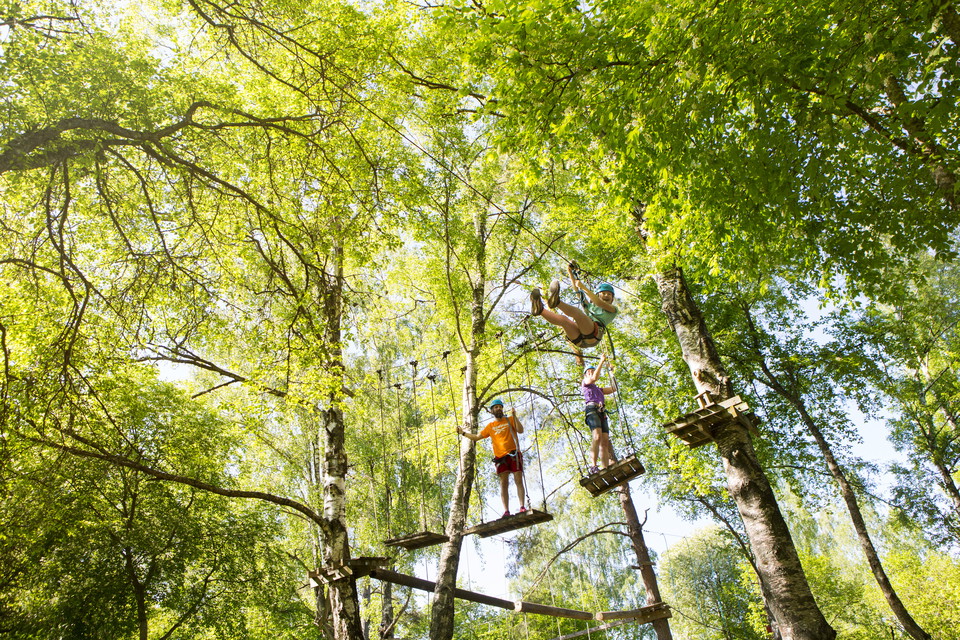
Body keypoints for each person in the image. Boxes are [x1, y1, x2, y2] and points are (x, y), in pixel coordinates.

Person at [457, 398, 527, 517]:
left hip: (513, 454)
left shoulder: (510, 420)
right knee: (503, 483)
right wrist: (463, 433)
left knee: (518, 479)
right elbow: (477, 437)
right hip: (500, 457)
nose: (499, 408)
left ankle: (522, 506)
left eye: (500, 407)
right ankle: (506, 511)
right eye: (496, 407)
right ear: (492, 411)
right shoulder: (490, 426)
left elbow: (520, 430)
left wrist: (515, 416)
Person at [530, 264, 618, 356]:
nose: (606, 295)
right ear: (597, 295)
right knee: (564, 320)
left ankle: (556, 302)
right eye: (603, 293)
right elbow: (577, 290)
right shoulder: (590, 306)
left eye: (609, 294)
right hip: (579, 340)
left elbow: (599, 303)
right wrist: (570, 272)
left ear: (612, 299)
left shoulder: (613, 310)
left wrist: (584, 287)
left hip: (594, 336)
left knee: (578, 314)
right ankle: (540, 310)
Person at [582, 354, 617, 475]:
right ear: (585, 374)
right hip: (592, 409)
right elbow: (594, 378)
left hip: (601, 411)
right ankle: (593, 466)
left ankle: (605, 467)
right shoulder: (586, 382)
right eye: (589, 371)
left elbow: (614, 388)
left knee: (605, 440)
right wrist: (601, 361)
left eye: (593, 371)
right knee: (597, 436)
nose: (592, 373)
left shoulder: (599, 389)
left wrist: (612, 373)